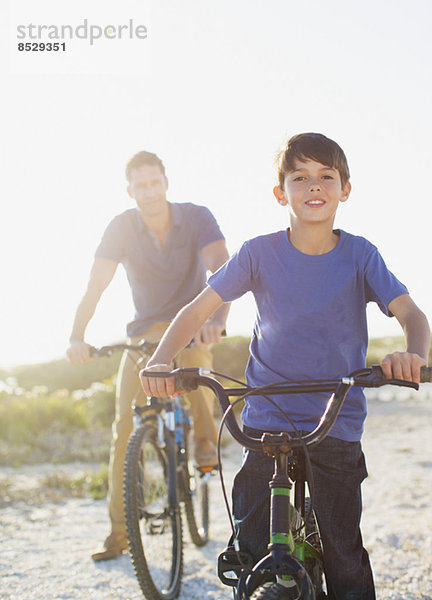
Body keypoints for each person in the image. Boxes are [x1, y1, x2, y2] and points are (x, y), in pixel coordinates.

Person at [140, 133, 430, 599]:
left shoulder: (360, 255)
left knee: (343, 551)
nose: (314, 186)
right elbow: (197, 308)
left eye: (326, 176)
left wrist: (412, 354)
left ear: (345, 189)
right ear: (281, 193)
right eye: (300, 177)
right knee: (252, 540)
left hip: (334, 419)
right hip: (267, 416)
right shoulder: (258, 252)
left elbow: (412, 315)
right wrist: (160, 360)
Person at [67, 150, 230, 561]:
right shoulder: (121, 227)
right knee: (125, 427)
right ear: (130, 190)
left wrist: (217, 319)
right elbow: (96, 285)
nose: (149, 191)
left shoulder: (196, 217)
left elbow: (223, 269)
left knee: (197, 379)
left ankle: (206, 445)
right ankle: (120, 532)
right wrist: (77, 336)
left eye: (155, 182)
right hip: (143, 336)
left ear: (165, 182)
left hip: (192, 326)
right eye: (140, 185)